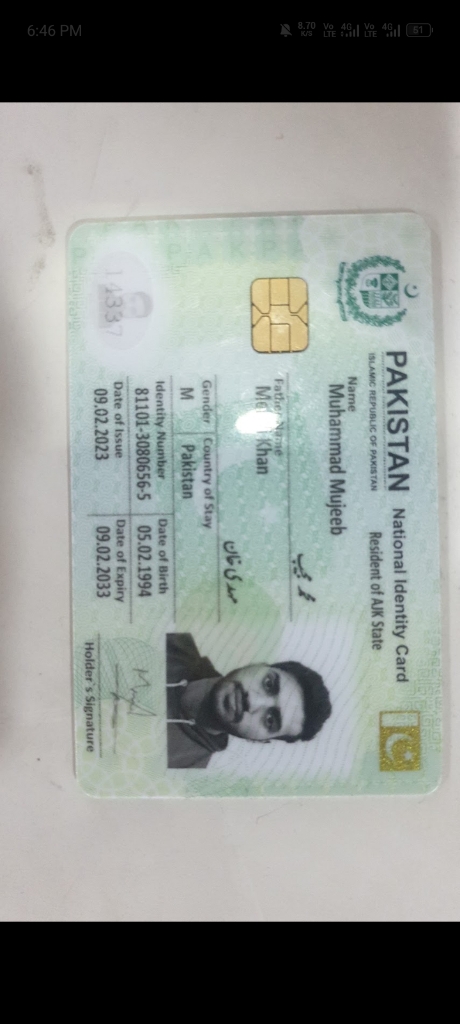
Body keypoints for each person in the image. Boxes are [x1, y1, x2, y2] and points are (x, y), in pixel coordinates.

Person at [166, 633, 332, 769]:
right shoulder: (172, 640)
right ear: (259, 665)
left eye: (270, 720)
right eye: (268, 684)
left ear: (259, 741)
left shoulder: (182, 770)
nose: (252, 701)